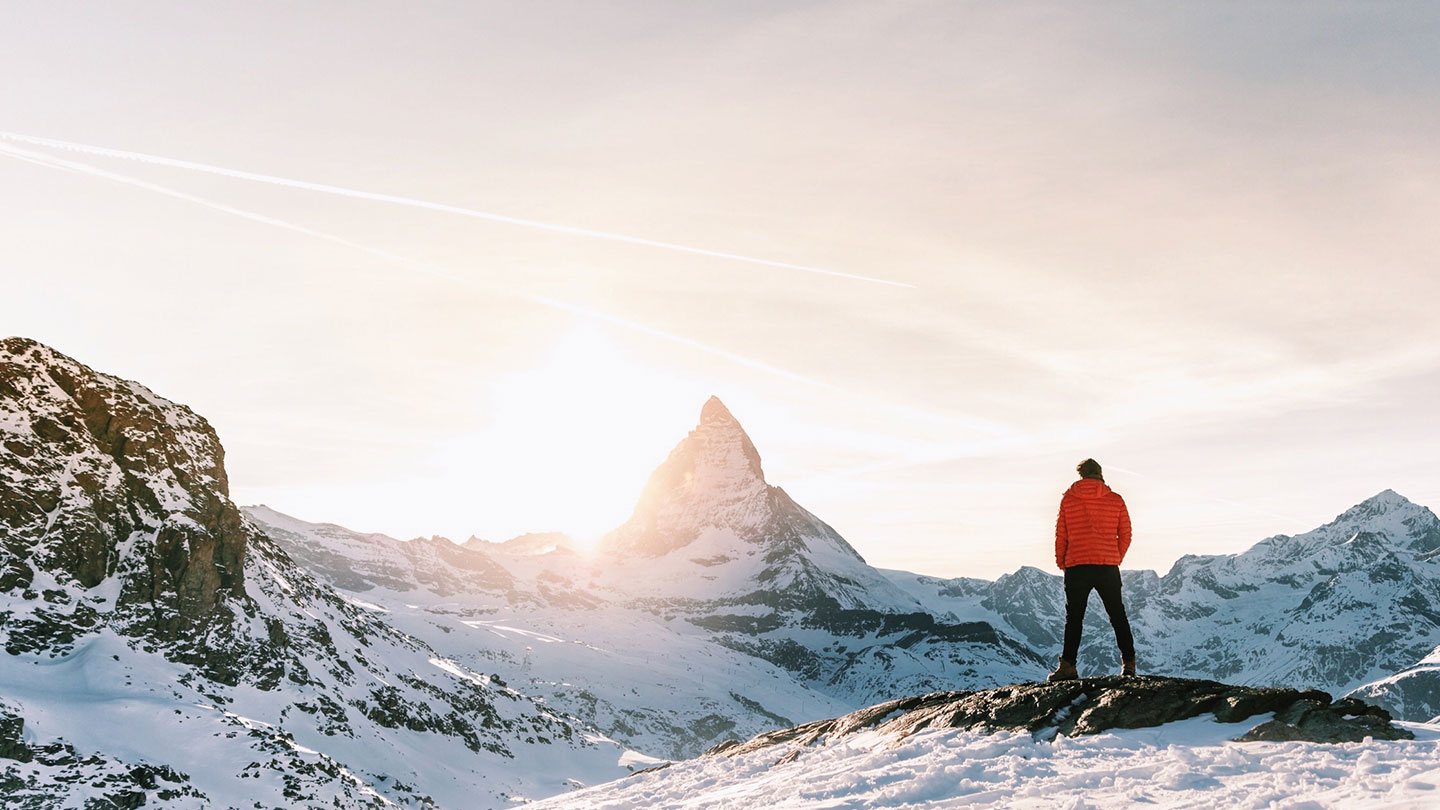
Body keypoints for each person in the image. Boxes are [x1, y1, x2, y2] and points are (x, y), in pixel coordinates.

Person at [1048, 458, 1136, 681]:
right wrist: (1115, 555)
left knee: (1074, 618)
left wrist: (1062, 561)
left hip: (1077, 565)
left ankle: (1068, 666)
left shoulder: (1069, 499)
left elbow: (1061, 534)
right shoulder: (1115, 500)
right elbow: (1126, 533)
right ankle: (1129, 664)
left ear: (1081, 475)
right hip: (1107, 565)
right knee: (1117, 615)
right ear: (1100, 473)